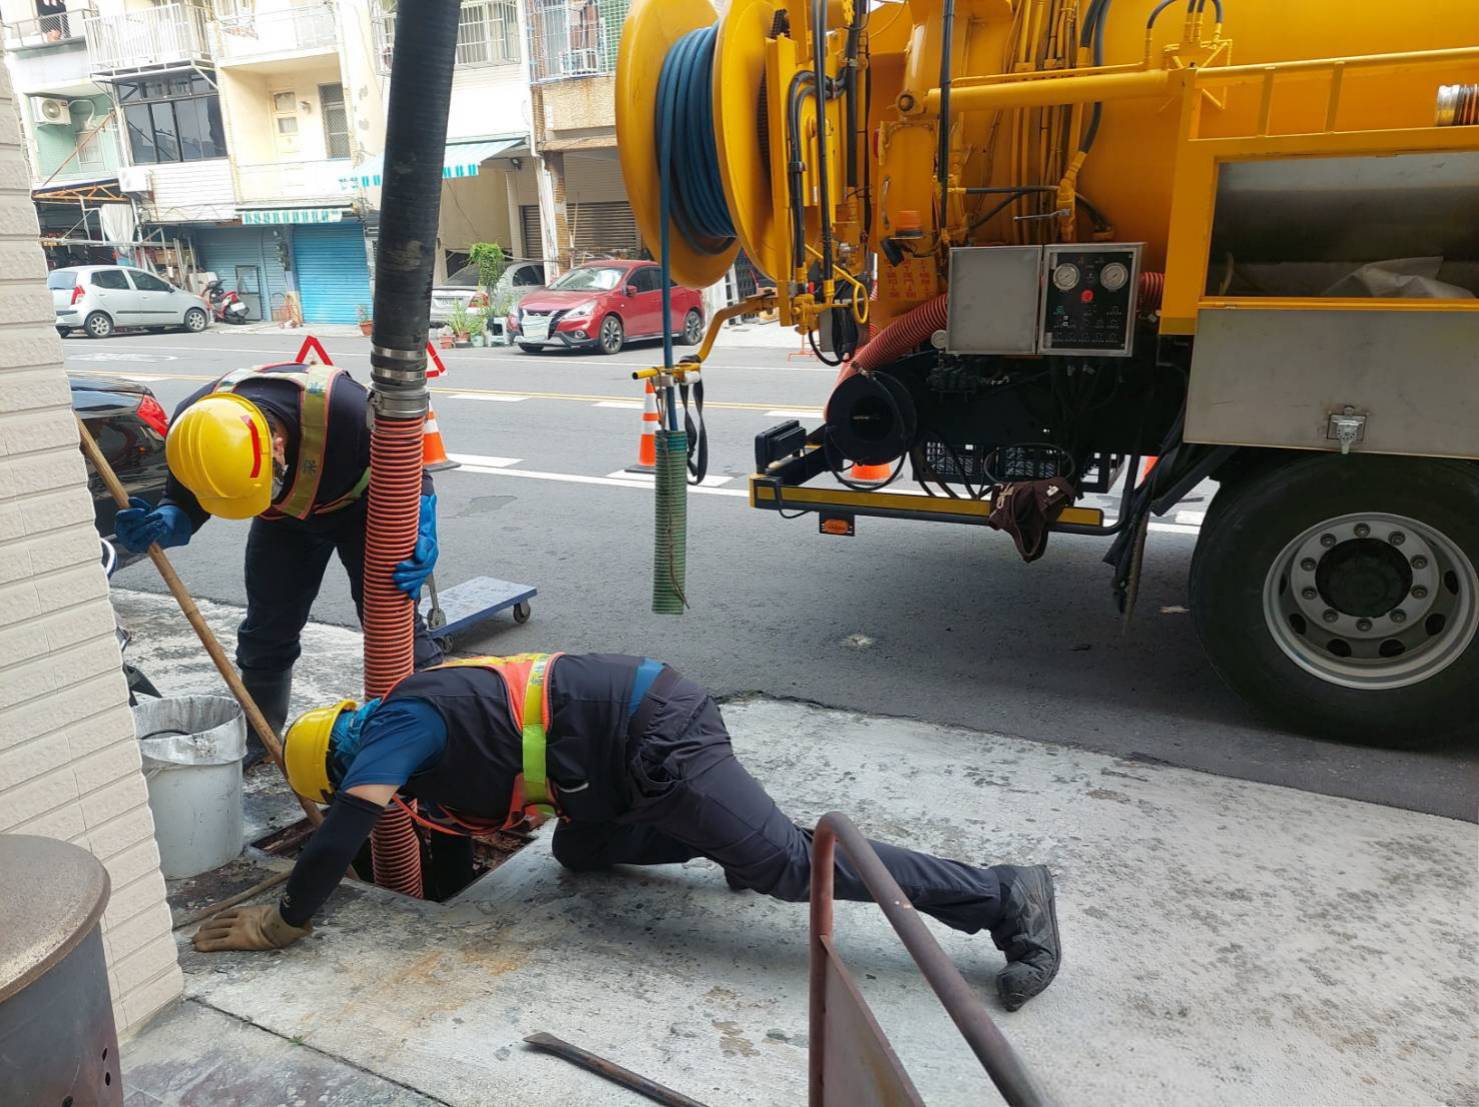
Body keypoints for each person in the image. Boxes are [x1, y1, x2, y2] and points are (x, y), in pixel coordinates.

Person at [192, 653, 1062, 1011]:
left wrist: (288, 919)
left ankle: (1001, 893)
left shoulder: (397, 729)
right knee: (579, 851)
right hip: (605, 774)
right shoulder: (413, 715)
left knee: (790, 867)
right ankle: (734, 833)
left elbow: (351, 820)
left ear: (342, 758)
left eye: (342, 784)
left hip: (655, 740)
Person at [113, 363, 442, 762]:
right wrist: (164, 523)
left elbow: (411, 471)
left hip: (363, 509)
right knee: (267, 629)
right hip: (283, 520)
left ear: (278, 446)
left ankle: (439, 724)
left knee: (393, 623)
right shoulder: (195, 430)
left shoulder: (347, 411)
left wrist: (420, 528)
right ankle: (261, 737)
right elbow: (183, 503)